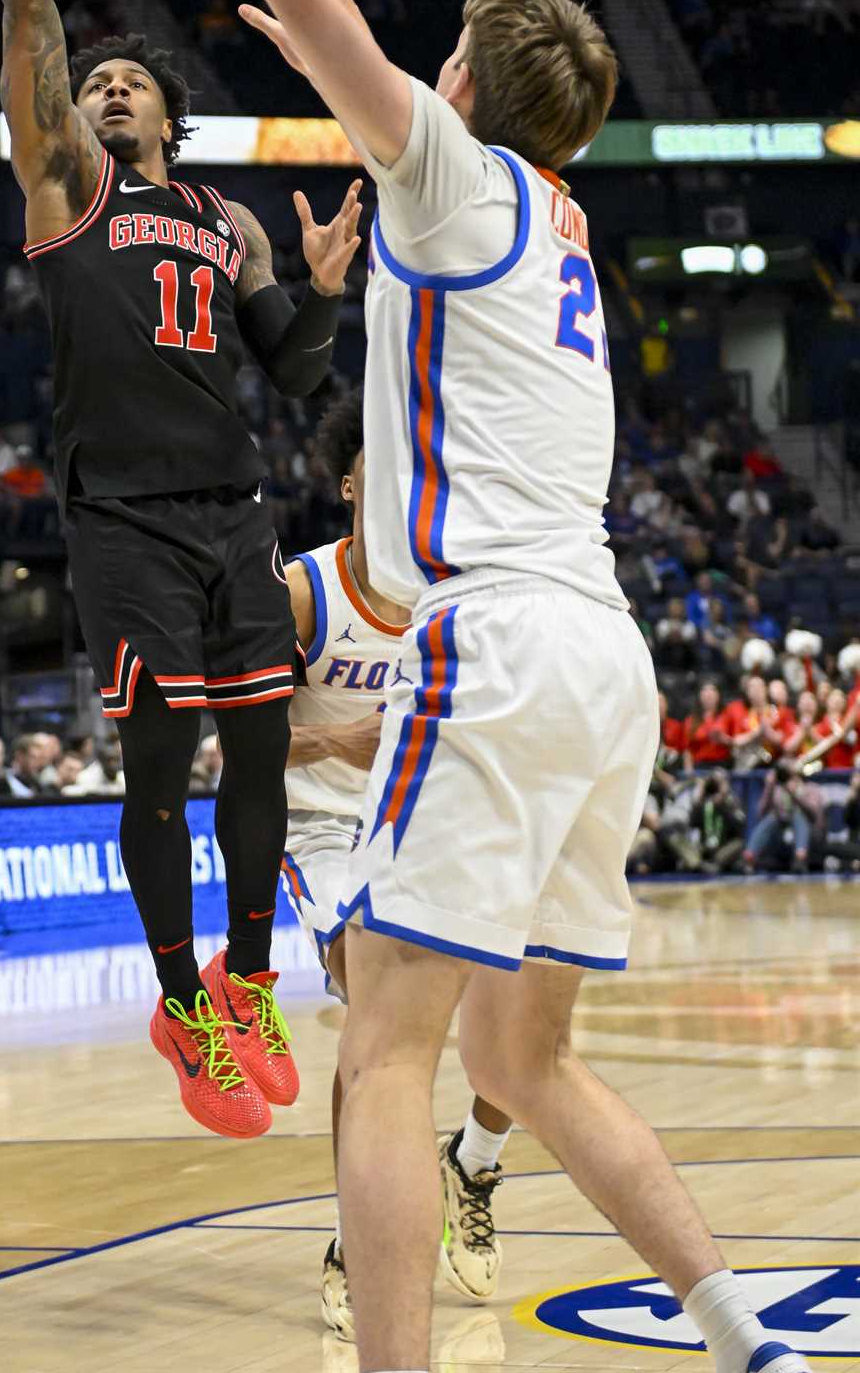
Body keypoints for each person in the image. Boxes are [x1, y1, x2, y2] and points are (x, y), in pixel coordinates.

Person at [244, 0, 812, 1373]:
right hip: (605, 660)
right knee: (529, 1067)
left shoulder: (451, 171)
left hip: (489, 643)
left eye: (429, 69)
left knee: (387, 1055)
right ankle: (743, 1338)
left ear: (469, 92)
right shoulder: (559, 228)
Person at [0, 0, 364, 1140]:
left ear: (171, 118)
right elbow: (31, 27)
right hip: (118, 516)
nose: (105, 92)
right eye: (96, 86)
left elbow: (298, 376)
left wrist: (313, 296)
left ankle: (249, 979)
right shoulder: (67, 187)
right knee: (161, 756)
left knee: (259, 751)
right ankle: (180, 994)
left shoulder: (227, 218)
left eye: (131, 86)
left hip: (232, 512)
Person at [281, 390, 512, 1342]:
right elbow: (230, 735)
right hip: (323, 830)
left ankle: (478, 1155)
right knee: (374, 1013)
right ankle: (353, 1242)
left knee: (519, 987)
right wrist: (341, 744)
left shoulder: (448, 596)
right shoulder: (303, 590)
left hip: (423, 816)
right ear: (348, 483)